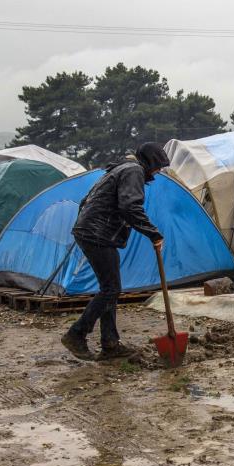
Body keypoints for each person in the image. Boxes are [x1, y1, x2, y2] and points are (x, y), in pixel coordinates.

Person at [60, 143, 171, 360]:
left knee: (110, 288)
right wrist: (154, 234)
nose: (158, 172)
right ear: (150, 162)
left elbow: (86, 201)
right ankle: (76, 334)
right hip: (98, 234)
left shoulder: (120, 169)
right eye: (158, 166)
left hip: (92, 232)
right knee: (111, 289)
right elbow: (130, 207)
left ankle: (110, 344)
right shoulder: (134, 170)